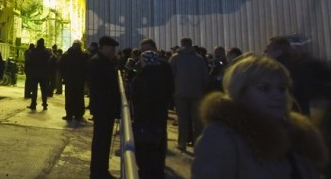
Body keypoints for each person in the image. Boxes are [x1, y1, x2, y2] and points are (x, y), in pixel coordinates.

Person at [192, 53, 328, 178]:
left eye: (281, 88)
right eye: (264, 88)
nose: (278, 95)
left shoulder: (298, 134)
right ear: (240, 92)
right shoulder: (223, 136)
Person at [131, 48, 174, 179]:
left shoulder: (142, 77)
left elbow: (136, 96)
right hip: (159, 116)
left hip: (144, 117)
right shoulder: (162, 76)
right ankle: (157, 172)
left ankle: (146, 173)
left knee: (145, 149)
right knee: (158, 147)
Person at [87, 35, 121, 179]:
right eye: (112, 47)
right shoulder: (97, 62)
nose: (114, 50)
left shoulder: (103, 61)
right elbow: (99, 87)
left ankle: (101, 169)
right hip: (103, 107)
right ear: (105, 47)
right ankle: (98, 171)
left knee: (103, 139)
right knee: (101, 140)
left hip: (105, 107)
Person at [169, 36, 209, 151]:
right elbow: (205, 77)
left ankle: (182, 143)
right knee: (197, 120)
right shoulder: (199, 59)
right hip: (197, 93)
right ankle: (198, 143)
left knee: (183, 119)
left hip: (180, 93)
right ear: (191, 44)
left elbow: (171, 75)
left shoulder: (175, 58)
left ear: (181, 44)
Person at [60, 39, 88, 122]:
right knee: (79, 97)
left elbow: (61, 66)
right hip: (79, 80)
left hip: (69, 80)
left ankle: (69, 114)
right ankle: (78, 115)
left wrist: (64, 77)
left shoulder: (67, 54)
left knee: (69, 97)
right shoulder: (83, 55)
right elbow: (86, 68)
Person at [28, 38, 51, 110]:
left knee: (34, 90)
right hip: (44, 74)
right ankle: (44, 104)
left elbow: (30, 61)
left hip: (35, 73)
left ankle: (33, 104)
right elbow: (48, 62)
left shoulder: (34, 51)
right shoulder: (46, 52)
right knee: (44, 90)